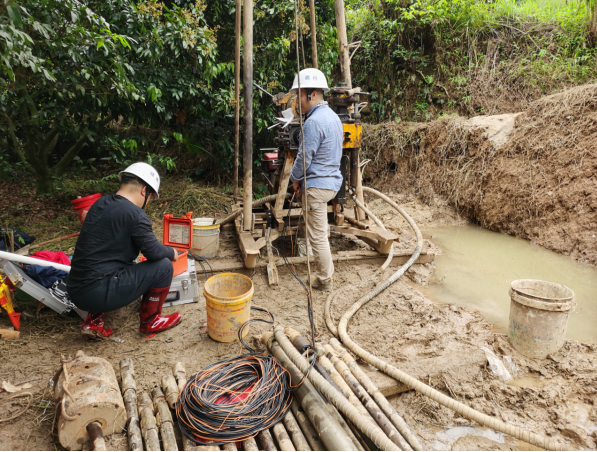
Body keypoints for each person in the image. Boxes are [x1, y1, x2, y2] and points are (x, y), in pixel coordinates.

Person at [66, 162, 182, 339]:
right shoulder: (135, 214)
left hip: (75, 290)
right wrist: (171, 252)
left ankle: (93, 320)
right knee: (164, 266)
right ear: (144, 191)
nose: (148, 202)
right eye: (150, 197)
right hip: (98, 293)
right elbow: (153, 252)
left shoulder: (100, 203)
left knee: (124, 262)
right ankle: (150, 321)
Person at [289, 68, 343, 292]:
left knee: (318, 237)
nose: (297, 101)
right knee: (321, 232)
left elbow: (303, 158)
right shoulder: (334, 118)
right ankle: (326, 275)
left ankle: (324, 280)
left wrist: (294, 178)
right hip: (331, 184)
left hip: (317, 186)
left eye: (299, 95)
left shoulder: (313, 122)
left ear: (312, 95)